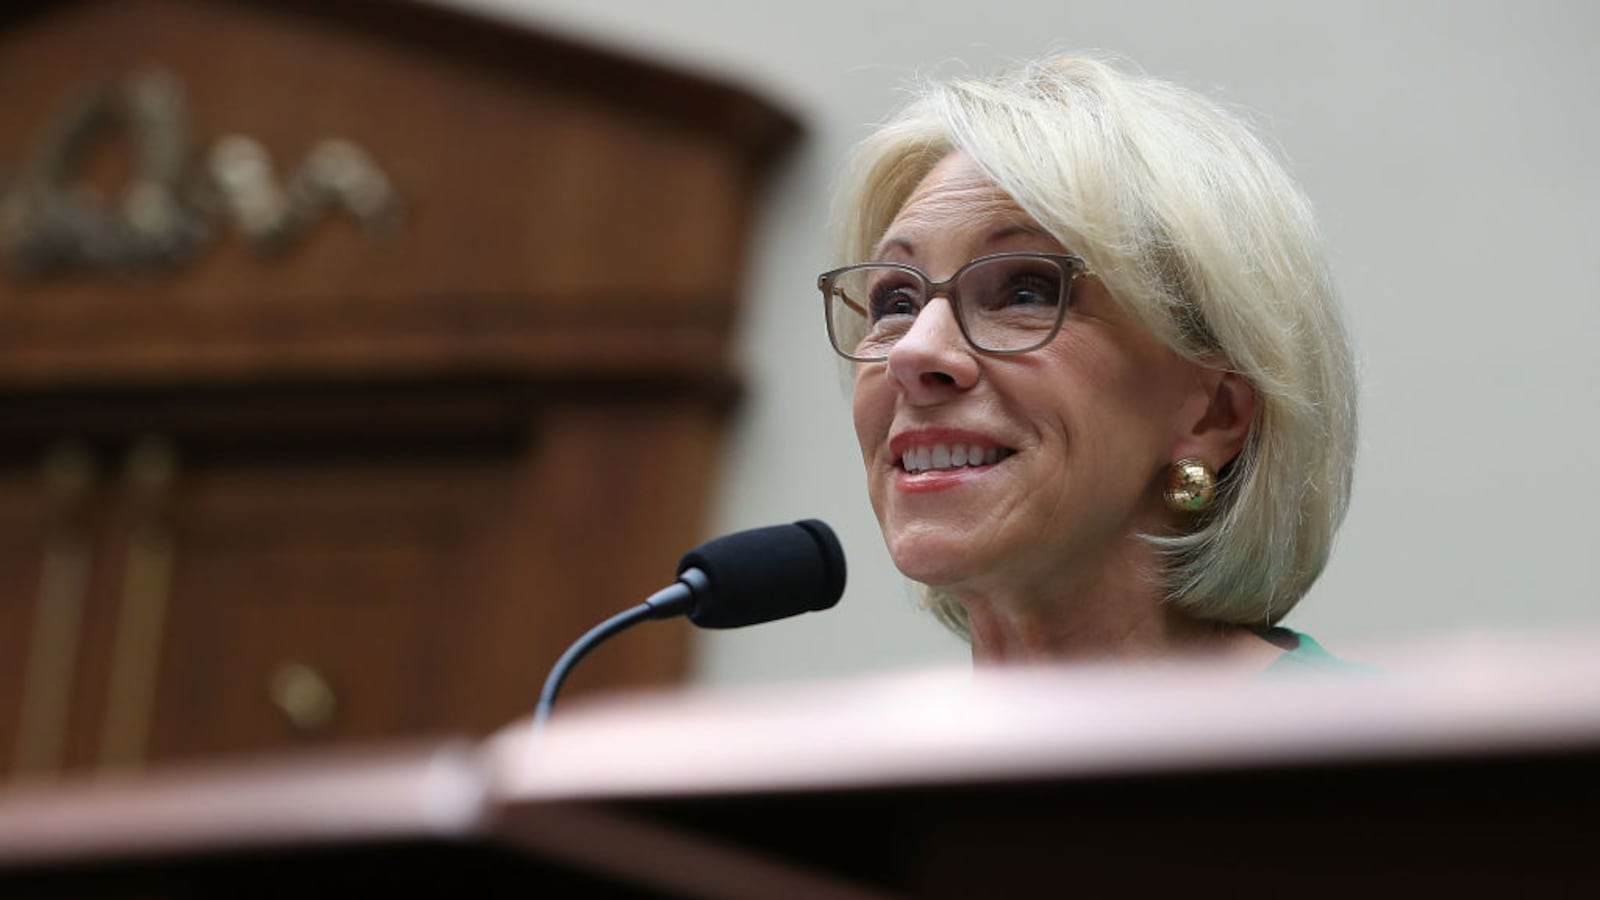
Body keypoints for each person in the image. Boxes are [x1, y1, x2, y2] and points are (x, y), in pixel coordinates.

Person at [818, 54, 1358, 673]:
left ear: (1215, 411)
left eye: (1026, 292)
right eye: (895, 301)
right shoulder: (864, 760)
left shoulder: (1384, 755)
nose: (915, 351)